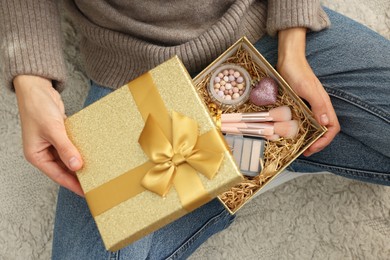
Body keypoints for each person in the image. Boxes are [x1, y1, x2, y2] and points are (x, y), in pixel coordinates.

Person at [1, 0, 389, 259]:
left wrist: (292, 43)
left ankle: (249, 163)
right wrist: (31, 80)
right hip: (130, 76)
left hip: (257, 29)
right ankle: (246, 165)